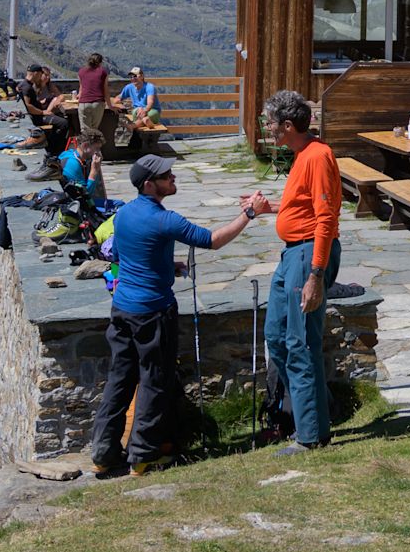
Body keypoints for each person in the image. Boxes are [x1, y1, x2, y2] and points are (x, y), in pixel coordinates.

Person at [91, 155, 267, 476]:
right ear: (149, 184)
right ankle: (142, 456)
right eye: (166, 175)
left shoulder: (124, 214)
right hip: (152, 312)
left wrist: (164, 265)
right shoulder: (165, 219)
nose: (172, 177)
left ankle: (103, 454)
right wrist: (249, 213)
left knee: (120, 378)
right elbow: (212, 240)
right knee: (154, 380)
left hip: (122, 309)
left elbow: (121, 254)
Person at [260, 89, 344, 453]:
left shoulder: (318, 156)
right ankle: (312, 412)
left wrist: (315, 275)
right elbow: (303, 206)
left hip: (308, 254)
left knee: (300, 341)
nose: (267, 129)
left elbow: (325, 218)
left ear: (288, 126)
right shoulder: (301, 155)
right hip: (292, 253)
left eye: (270, 124)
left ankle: (311, 435)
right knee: (276, 335)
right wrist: (270, 208)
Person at [12, 65, 71, 174]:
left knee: (61, 122)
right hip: (38, 117)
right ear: (36, 73)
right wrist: (42, 112)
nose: (40, 77)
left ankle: (52, 146)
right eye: (40, 74)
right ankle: (54, 149)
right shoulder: (27, 87)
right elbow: (29, 106)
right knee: (64, 123)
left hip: (38, 114)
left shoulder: (24, 85)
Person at [113, 67, 162, 151]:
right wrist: (116, 101)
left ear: (142, 76)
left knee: (147, 114)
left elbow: (150, 103)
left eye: (135, 76)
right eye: (131, 77)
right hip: (138, 113)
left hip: (152, 111)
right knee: (138, 112)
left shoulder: (149, 87)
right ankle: (148, 123)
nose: (133, 78)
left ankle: (133, 126)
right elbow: (119, 97)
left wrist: (144, 110)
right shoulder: (129, 87)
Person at [59, 132, 107, 201]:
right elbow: (86, 195)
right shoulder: (73, 163)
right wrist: (94, 171)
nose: (98, 152)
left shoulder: (73, 153)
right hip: (75, 202)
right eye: (96, 148)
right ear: (85, 145)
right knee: (119, 204)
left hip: (76, 198)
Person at [74, 53, 111, 142]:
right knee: (94, 131)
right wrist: (110, 105)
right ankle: (94, 149)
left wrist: (78, 97)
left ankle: (85, 149)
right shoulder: (103, 72)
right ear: (100, 62)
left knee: (85, 132)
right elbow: (105, 90)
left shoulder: (81, 72)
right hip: (98, 104)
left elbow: (81, 89)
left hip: (84, 103)